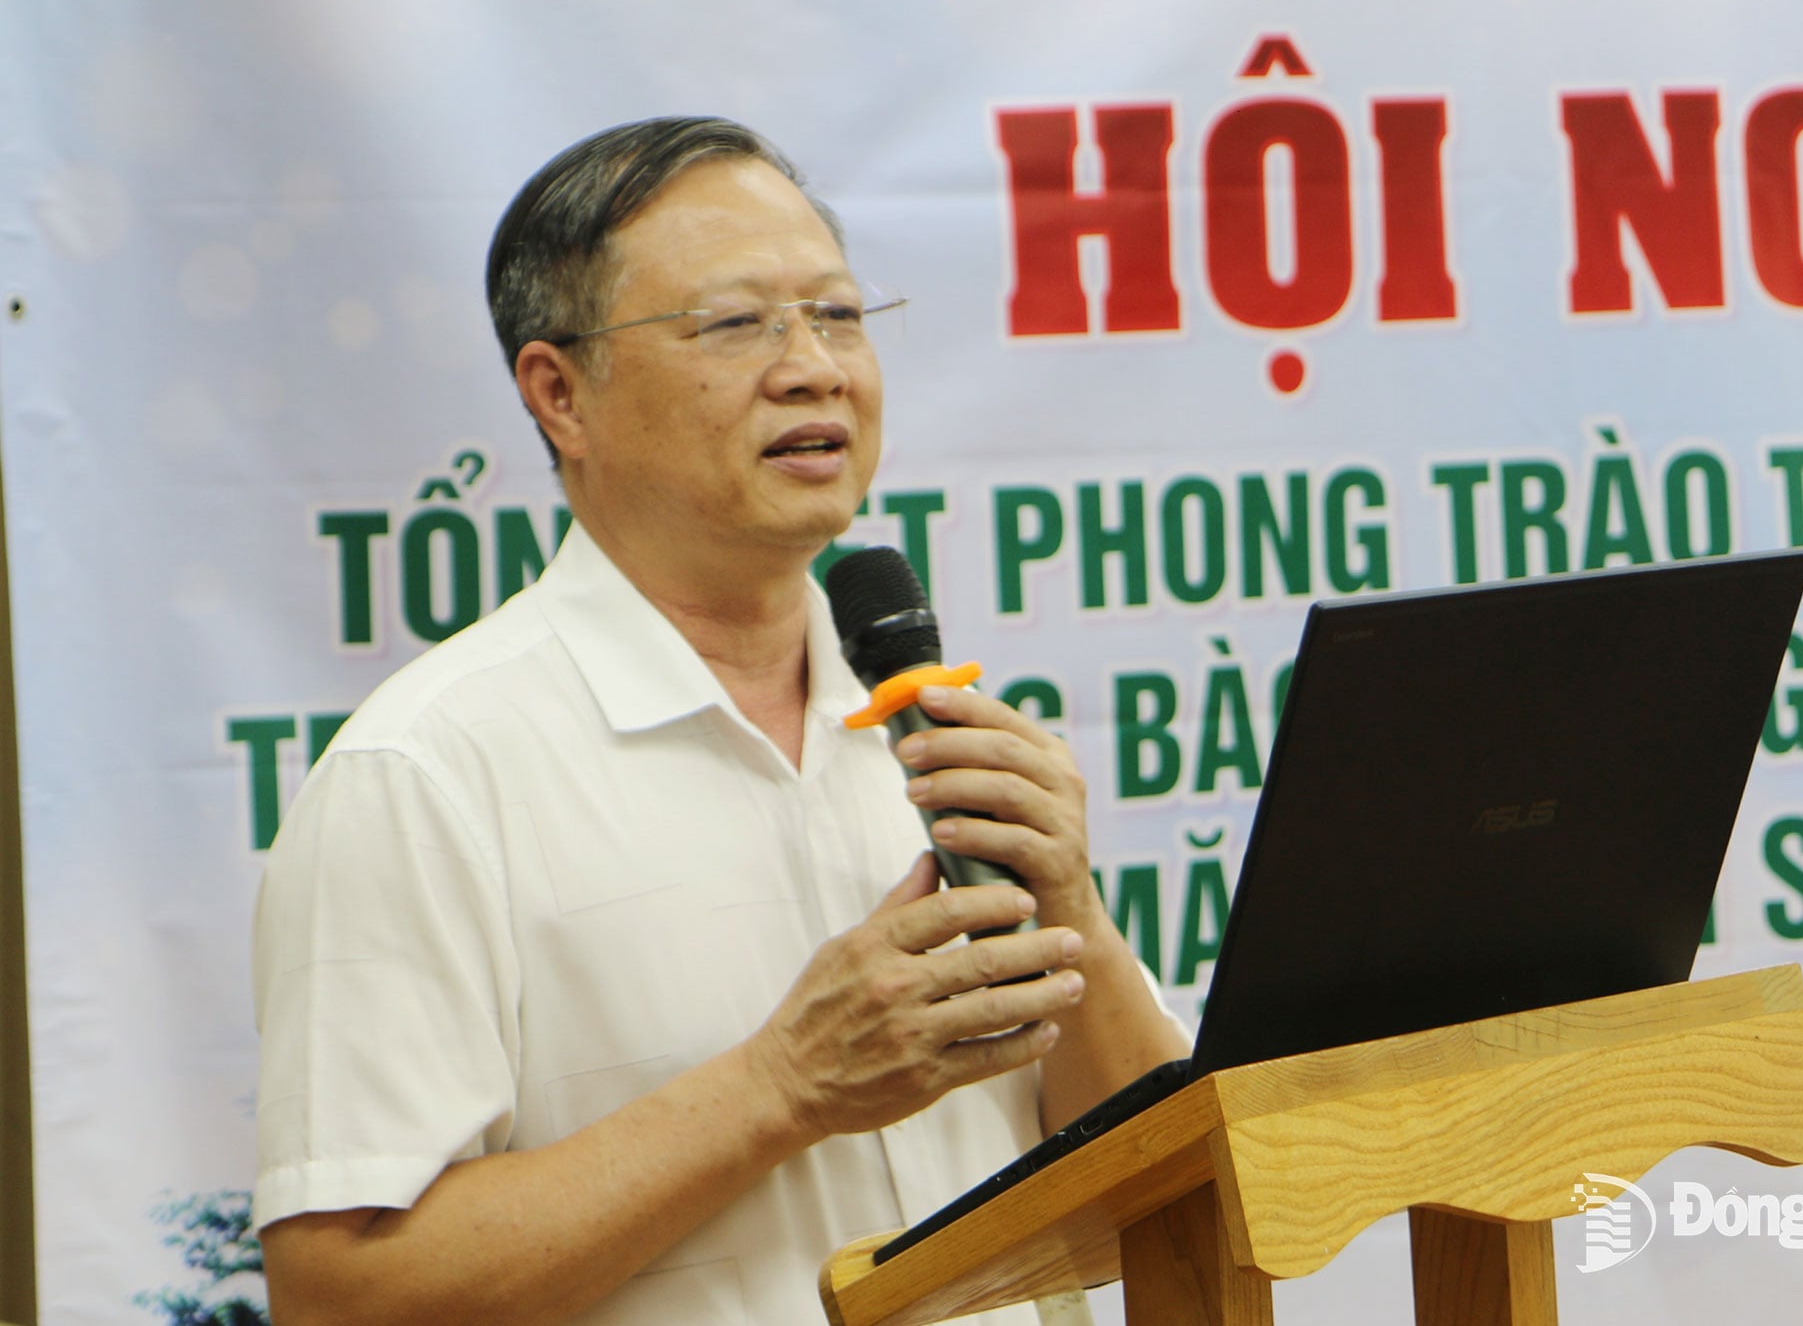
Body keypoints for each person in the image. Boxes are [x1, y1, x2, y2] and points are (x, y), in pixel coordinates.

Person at [252, 117, 1189, 1326]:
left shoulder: (942, 742)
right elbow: (342, 1296)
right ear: (559, 393)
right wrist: (779, 1087)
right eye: (736, 323)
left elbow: (1150, 1193)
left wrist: (1074, 915)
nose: (813, 369)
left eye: (837, 315)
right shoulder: (425, 773)